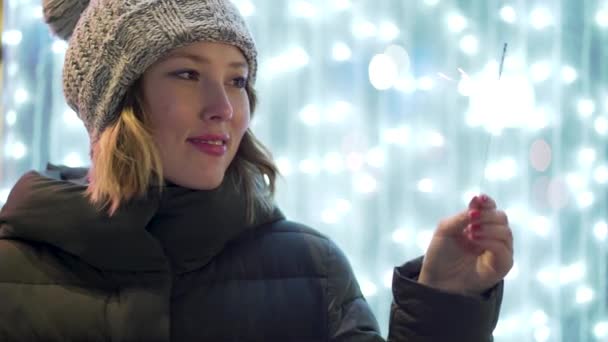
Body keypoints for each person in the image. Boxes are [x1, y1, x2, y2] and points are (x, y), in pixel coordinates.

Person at [0, 0, 513, 340]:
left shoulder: (312, 270)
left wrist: (447, 301)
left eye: (238, 79)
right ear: (117, 103)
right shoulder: (13, 271)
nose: (223, 106)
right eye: (187, 73)